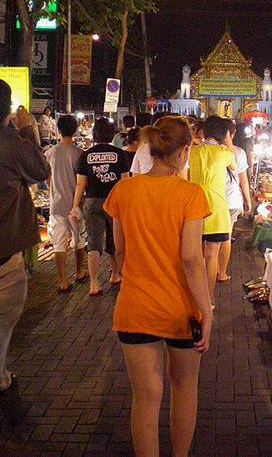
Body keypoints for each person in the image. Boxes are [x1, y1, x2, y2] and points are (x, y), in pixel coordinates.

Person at [103, 115, 212, 457]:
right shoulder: (190, 194)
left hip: (136, 306)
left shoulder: (124, 190)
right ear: (183, 151)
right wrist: (206, 308)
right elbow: (192, 259)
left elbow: (119, 250)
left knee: (145, 399)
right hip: (181, 309)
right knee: (184, 388)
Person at [0, 81, 50, 393]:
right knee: (4, 323)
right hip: (5, 256)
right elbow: (41, 168)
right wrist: (25, 131)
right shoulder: (12, 146)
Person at [71, 118, 129, 295]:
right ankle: (115, 275)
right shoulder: (120, 154)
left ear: (94, 134)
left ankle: (94, 284)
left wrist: (75, 207)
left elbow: (80, 184)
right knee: (115, 241)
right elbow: (124, 182)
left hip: (92, 202)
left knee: (94, 243)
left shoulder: (86, 155)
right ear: (111, 134)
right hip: (115, 202)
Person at [189, 115, 236, 302]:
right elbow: (235, 165)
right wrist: (228, 140)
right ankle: (207, 300)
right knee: (211, 257)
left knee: (195, 256)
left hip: (194, 207)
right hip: (216, 208)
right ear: (223, 134)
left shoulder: (193, 152)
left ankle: (194, 297)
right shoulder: (224, 153)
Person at [45, 114, 87, 292]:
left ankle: (62, 280)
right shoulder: (79, 154)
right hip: (76, 205)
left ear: (58, 130)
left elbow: (47, 179)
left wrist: (54, 189)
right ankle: (78, 271)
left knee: (58, 242)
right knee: (79, 240)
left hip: (57, 205)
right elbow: (82, 182)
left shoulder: (49, 153)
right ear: (76, 131)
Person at [217, 119, 252, 282]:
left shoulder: (208, 150)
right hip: (231, 200)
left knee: (209, 238)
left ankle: (209, 265)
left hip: (212, 198)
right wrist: (247, 200)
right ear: (232, 133)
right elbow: (243, 180)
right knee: (226, 235)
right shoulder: (238, 152)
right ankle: (221, 271)